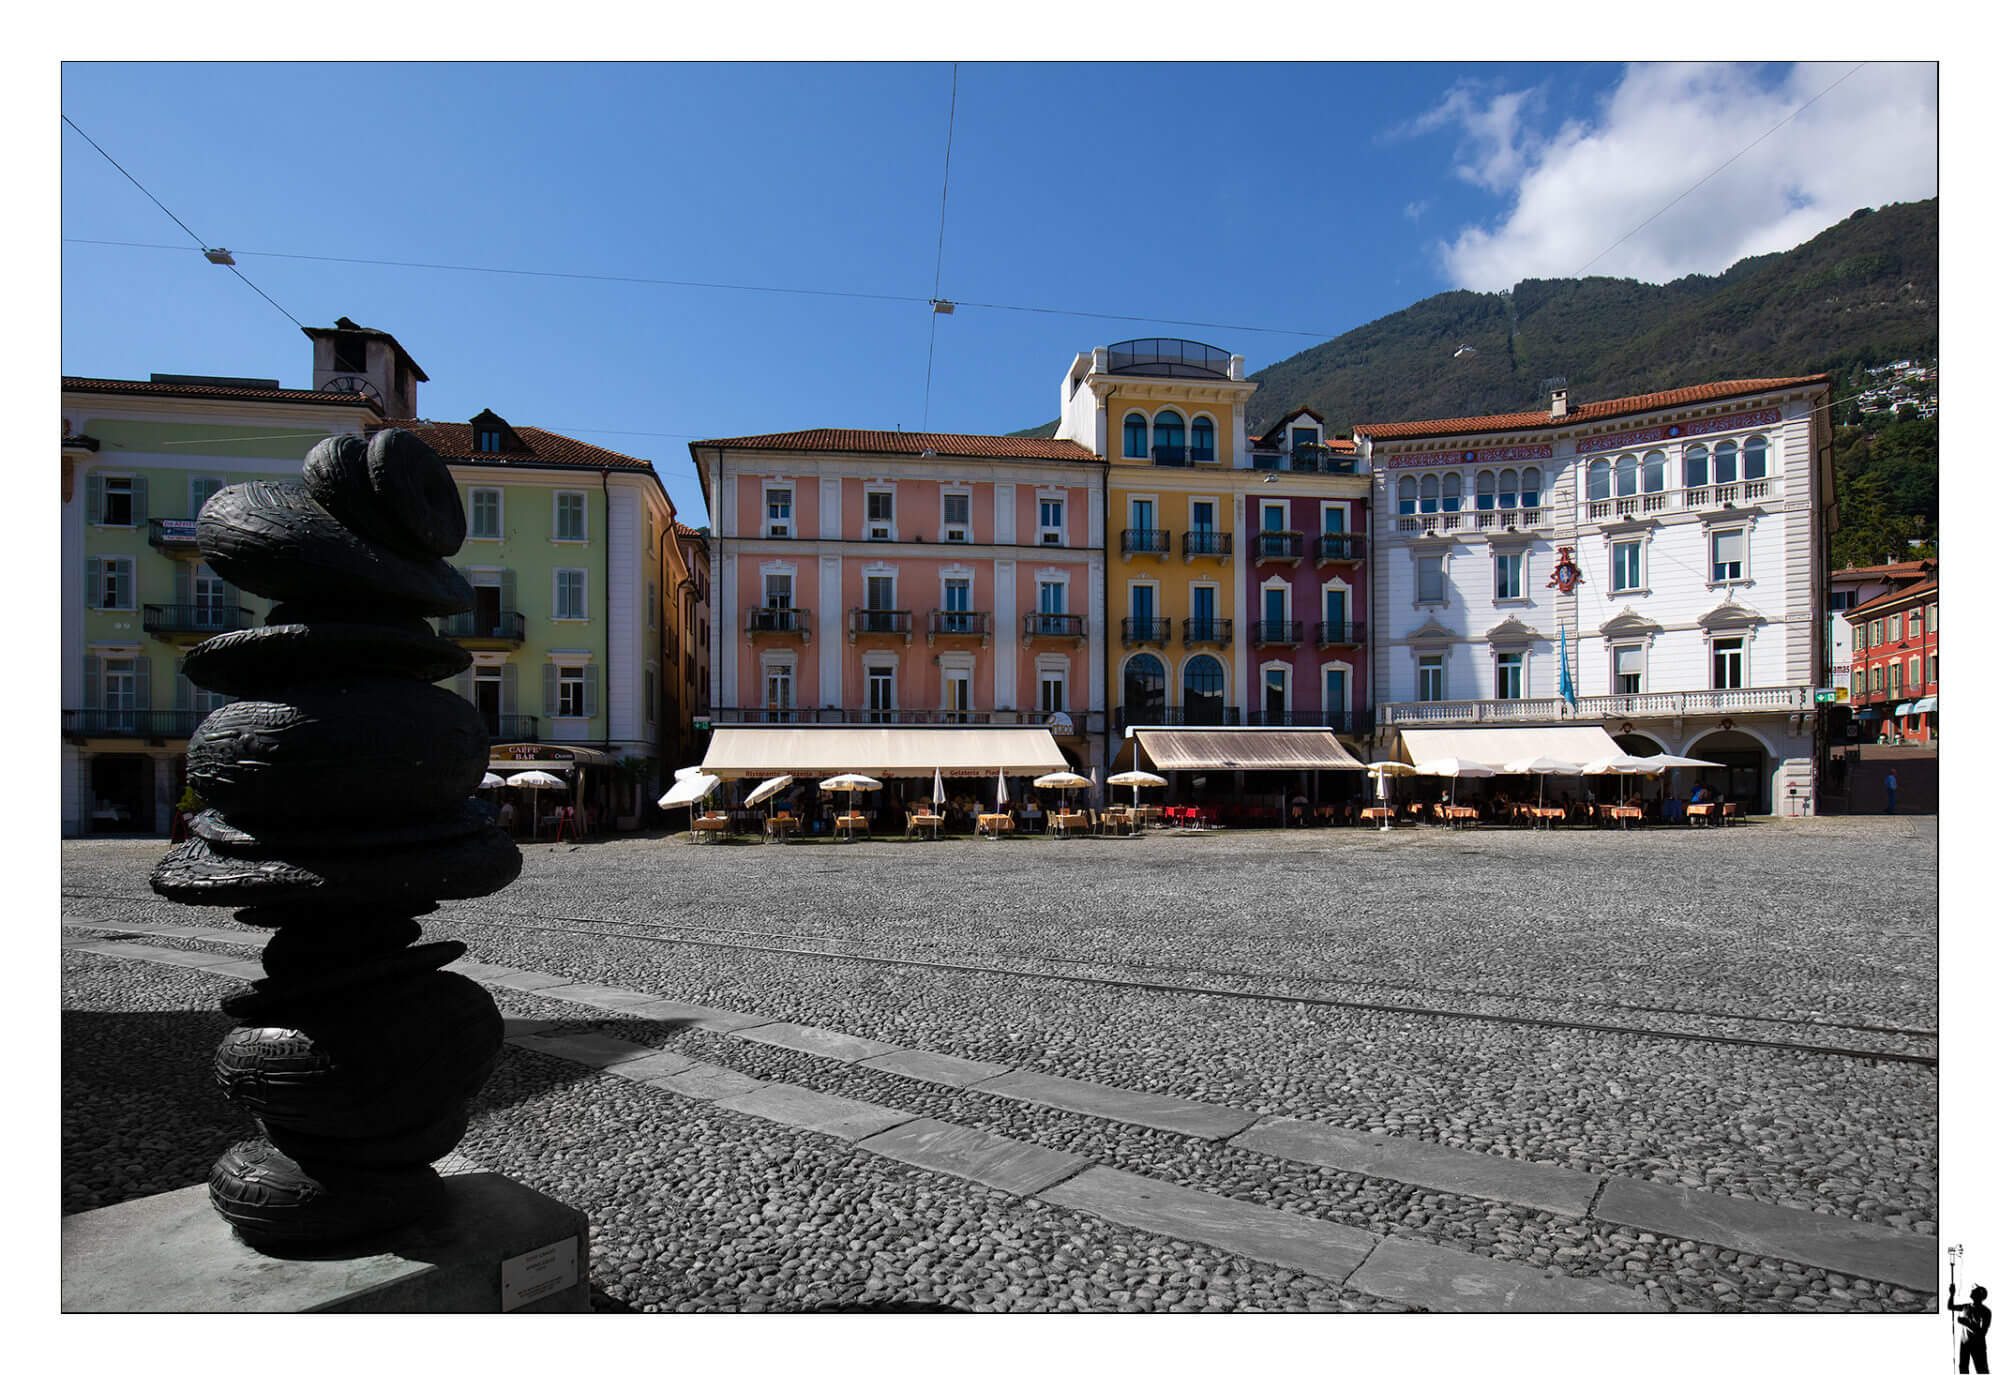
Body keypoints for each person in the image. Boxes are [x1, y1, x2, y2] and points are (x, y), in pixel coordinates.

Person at [1950, 1283, 1991, 1373]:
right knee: (1963, 1369)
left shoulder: (1986, 1312)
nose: (1972, 1290)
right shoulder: (1966, 1306)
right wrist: (1952, 1294)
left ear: (1979, 1296)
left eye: (1974, 1290)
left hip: (1978, 1346)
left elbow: (1982, 1333)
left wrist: (1966, 1323)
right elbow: (1950, 1307)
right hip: (1964, 1344)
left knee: (1982, 1370)